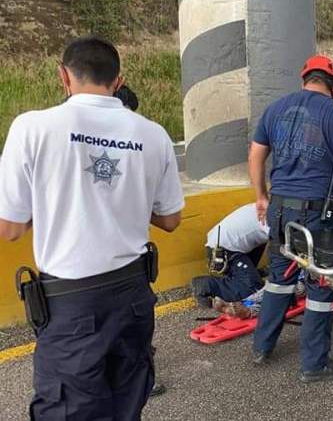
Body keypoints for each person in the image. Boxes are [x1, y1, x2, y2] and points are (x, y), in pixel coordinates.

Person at [0, 36, 184, 419]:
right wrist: (126, 198)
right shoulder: (153, 134)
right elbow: (169, 220)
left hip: (72, 305)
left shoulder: (32, 128)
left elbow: (11, 228)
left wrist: (56, 201)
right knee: (126, 405)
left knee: (68, 409)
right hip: (134, 298)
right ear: (119, 81)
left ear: (63, 77)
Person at [248, 55, 333, 383]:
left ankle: (262, 347)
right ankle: (315, 364)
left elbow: (255, 156)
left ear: (305, 79)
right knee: (322, 281)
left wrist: (261, 196)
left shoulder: (275, 110)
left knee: (279, 277)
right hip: (317, 212)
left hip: (278, 209)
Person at [113, 83, 168, 399]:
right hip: (123, 265)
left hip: (79, 271)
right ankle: (140, 378)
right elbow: (170, 218)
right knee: (129, 325)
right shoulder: (138, 145)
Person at [192, 203, 267, 307]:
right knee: (254, 289)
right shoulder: (270, 218)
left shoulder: (268, 206)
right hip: (222, 251)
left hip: (229, 245)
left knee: (267, 240)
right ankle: (207, 285)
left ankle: (246, 275)